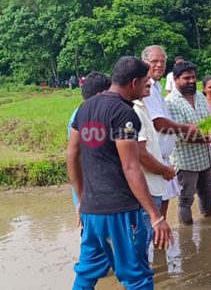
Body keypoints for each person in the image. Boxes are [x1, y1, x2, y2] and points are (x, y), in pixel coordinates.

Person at [67, 56, 173, 289]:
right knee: (137, 276)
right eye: (145, 81)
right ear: (134, 82)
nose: (147, 85)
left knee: (86, 274)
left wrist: (81, 198)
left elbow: (72, 155)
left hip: (92, 211)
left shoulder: (84, 109)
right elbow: (130, 167)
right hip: (120, 211)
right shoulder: (124, 114)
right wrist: (156, 216)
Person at [141, 46, 194, 220]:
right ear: (144, 62)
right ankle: (157, 244)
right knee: (156, 214)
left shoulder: (156, 87)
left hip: (162, 157)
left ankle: (159, 246)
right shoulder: (146, 88)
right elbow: (159, 123)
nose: (159, 65)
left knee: (161, 210)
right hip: (153, 158)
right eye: (154, 61)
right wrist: (185, 128)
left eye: (163, 61)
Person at [165, 61, 211, 225]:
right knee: (186, 199)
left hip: (205, 157)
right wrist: (210, 138)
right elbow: (180, 135)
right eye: (187, 78)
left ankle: (209, 225)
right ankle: (186, 232)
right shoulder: (171, 102)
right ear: (176, 79)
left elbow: (208, 122)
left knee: (207, 192)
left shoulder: (199, 96)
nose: (192, 81)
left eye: (193, 77)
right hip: (186, 161)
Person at [134, 76, 177, 249]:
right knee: (142, 237)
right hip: (148, 181)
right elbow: (141, 153)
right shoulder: (134, 111)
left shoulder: (144, 105)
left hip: (156, 177)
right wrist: (164, 170)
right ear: (134, 83)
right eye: (146, 81)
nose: (150, 83)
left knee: (150, 231)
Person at [67, 72, 112, 208]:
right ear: (101, 94)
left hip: (88, 188)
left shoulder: (79, 112)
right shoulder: (87, 116)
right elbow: (76, 155)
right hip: (92, 189)